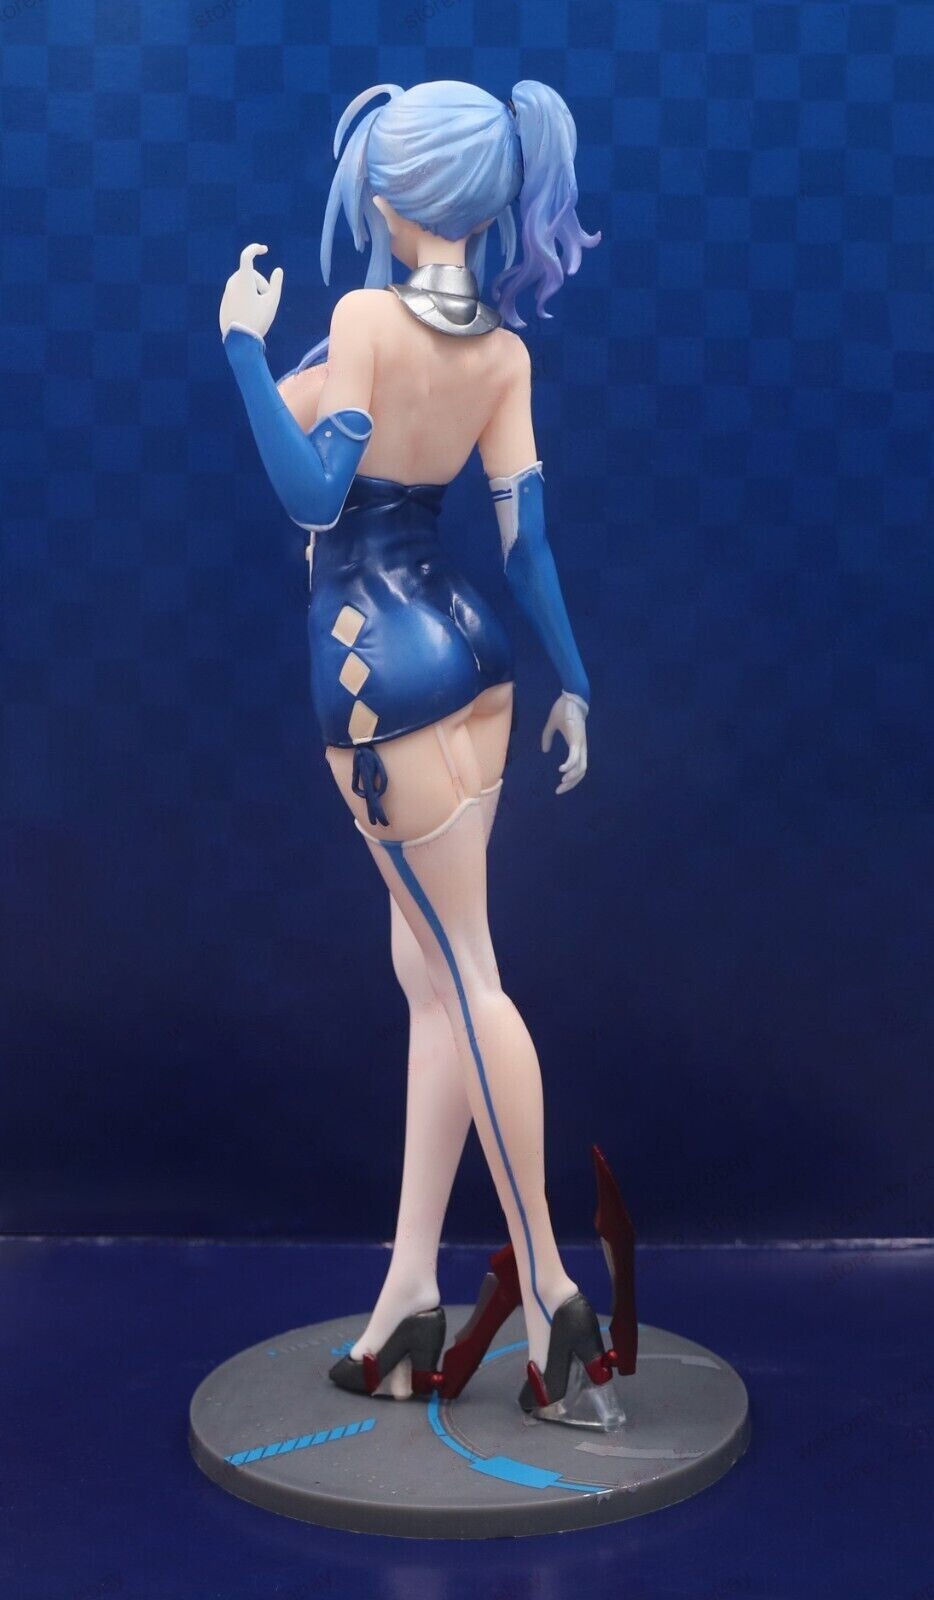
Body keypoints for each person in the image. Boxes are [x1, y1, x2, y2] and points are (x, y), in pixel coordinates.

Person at [219, 81, 628, 1424]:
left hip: (373, 677)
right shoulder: (499, 351)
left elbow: (310, 494)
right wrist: (575, 682)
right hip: (478, 663)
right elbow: (527, 545)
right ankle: (407, 1293)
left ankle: (554, 1297)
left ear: (393, 199)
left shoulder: (363, 321)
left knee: (466, 974)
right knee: (433, 977)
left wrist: (240, 349)